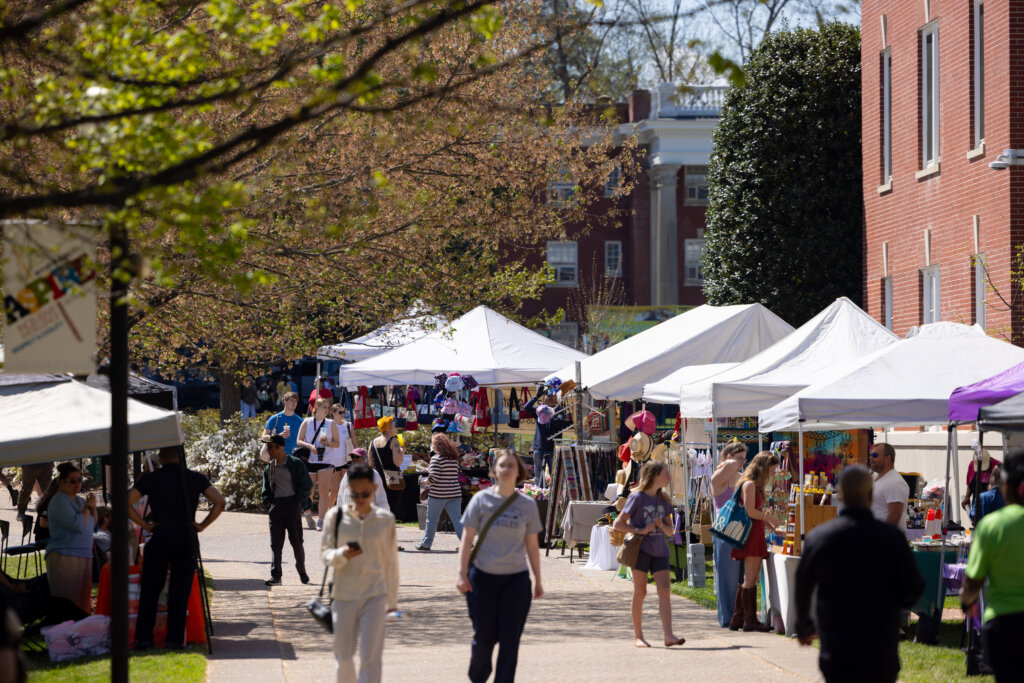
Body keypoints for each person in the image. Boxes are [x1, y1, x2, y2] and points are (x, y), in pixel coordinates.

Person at [795, 465, 924, 683]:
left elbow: (802, 585)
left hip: (837, 644)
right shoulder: (891, 538)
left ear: (841, 495)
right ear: (871, 495)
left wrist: (804, 624)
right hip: (879, 643)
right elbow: (913, 587)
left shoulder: (820, 537)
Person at [457, 450, 543, 683]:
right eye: (502, 465)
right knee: (484, 638)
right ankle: (478, 678)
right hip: (482, 578)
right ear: (494, 470)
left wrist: (538, 580)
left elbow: (533, 546)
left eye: (511, 466)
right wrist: (462, 574)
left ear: (518, 472)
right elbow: (466, 539)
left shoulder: (527, 505)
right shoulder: (481, 500)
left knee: (510, 640)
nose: (506, 470)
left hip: (515, 580)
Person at [128, 446, 225, 649]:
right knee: (180, 590)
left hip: (161, 533)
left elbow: (125, 501)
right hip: (185, 535)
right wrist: (203, 525)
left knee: (150, 588)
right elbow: (220, 501)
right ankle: (174, 639)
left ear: (162, 458)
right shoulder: (195, 478)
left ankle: (144, 637)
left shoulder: (151, 479)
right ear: (181, 456)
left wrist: (145, 525)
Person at [322, 463, 399, 683]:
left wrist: (392, 603)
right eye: (355, 493)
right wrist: (341, 554)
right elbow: (325, 555)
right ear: (348, 490)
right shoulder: (335, 518)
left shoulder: (385, 521)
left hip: (375, 596)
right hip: (343, 596)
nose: (360, 498)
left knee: (371, 659)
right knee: (344, 658)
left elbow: (391, 564)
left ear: (374, 489)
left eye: (365, 493)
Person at [961, 448, 1024, 683]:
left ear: (1005, 486)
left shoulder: (991, 526)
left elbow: (973, 580)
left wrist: (966, 603)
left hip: (1002, 623)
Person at [612, 460, 686, 648]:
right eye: (665, 473)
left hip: (661, 551)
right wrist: (640, 530)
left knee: (665, 591)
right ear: (654, 476)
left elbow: (671, 532)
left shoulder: (665, 500)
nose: (669, 477)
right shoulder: (637, 498)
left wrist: (663, 526)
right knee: (641, 592)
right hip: (641, 550)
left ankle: (668, 636)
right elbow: (618, 525)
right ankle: (638, 636)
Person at [728, 451, 781, 632]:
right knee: (751, 578)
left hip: (754, 533)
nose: (772, 474)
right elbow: (750, 511)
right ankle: (748, 620)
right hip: (750, 534)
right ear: (763, 468)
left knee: (750, 578)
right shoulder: (749, 484)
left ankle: (739, 618)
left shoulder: (751, 484)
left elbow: (754, 511)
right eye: (771, 470)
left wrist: (770, 523)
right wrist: (769, 518)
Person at [261, 434, 313, 586]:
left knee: (297, 542)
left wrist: (299, 501)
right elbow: (265, 488)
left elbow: (307, 484)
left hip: (292, 506)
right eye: (267, 447)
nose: (268, 450)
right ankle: (276, 575)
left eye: (270, 447)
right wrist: (268, 501)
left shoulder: (296, 464)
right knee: (275, 544)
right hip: (276, 507)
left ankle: (301, 571)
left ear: (281, 447)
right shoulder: (269, 467)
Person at [44, 463, 95, 613]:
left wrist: (92, 507)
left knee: (82, 607)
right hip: (65, 556)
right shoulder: (59, 501)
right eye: (73, 481)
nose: (78, 484)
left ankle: (79, 635)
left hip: (84, 554)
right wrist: (87, 508)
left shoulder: (79, 501)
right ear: (61, 482)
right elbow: (77, 525)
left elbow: (91, 523)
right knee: (68, 607)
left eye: (80, 480)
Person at [710, 441, 746, 628]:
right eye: (738, 458)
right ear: (728, 457)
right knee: (727, 578)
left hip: (741, 530)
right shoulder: (718, 477)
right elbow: (731, 465)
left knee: (741, 579)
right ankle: (727, 617)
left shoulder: (741, 477)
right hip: (725, 531)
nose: (741, 462)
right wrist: (728, 462)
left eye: (743, 459)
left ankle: (740, 616)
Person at [297, 398, 341, 530]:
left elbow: (337, 443)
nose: (326, 410)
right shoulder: (307, 422)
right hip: (310, 459)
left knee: (323, 490)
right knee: (309, 491)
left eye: (327, 407)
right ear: (316, 408)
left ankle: (321, 520)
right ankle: (308, 514)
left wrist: (327, 443)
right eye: (324, 407)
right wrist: (310, 446)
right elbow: (298, 441)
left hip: (326, 459)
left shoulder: (331, 423)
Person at [416, 433, 464, 552]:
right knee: (457, 519)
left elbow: (434, 478)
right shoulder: (454, 458)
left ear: (435, 446)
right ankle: (467, 543)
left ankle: (426, 544)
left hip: (438, 494)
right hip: (454, 493)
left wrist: (425, 481)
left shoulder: (436, 459)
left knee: (431, 520)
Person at [522, 385, 568, 487]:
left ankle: (553, 498)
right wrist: (537, 396)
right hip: (539, 448)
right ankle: (539, 496)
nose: (550, 396)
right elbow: (526, 407)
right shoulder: (540, 409)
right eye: (548, 395)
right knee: (538, 476)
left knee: (554, 476)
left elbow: (560, 423)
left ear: (557, 399)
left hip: (553, 449)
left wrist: (550, 412)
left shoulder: (560, 410)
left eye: (552, 395)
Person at [869, 442, 909, 531]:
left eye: (875, 455)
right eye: (870, 455)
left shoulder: (895, 482)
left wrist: (883, 537)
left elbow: (895, 515)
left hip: (888, 541)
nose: (871, 458)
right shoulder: (874, 477)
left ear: (887, 458)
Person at [368, 416, 404, 513]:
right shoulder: (394, 441)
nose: (395, 429)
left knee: (379, 504)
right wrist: (402, 451)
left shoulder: (372, 442)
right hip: (393, 478)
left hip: (377, 478)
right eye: (394, 426)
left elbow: (371, 464)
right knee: (391, 506)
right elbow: (398, 462)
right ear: (388, 429)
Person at [963, 446, 1002, 513]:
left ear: (990, 460)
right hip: (977, 498)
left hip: (993, 501)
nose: (982, 471)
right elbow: (970, 483)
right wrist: (967, 497)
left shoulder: (998, 467)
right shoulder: (972, 465)